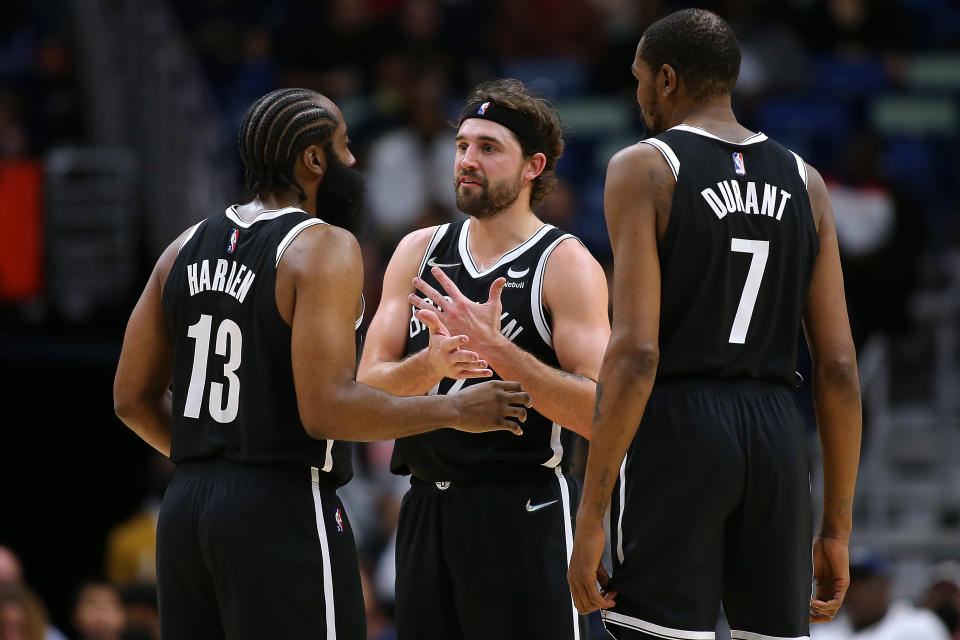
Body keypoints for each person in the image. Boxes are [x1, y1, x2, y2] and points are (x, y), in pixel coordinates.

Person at [112, 88, 532, 640]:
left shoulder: (183, 246)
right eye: (344, 146)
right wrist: (452, 409)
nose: (353, 162)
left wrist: (214, 455)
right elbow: (328, 411)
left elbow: (129, 398)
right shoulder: (323, 246)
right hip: (278, 506)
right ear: (314, 160)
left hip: (186, 510)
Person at [567, 9, 863, 640]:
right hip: (778, 433)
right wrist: (836, 527)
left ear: (667, 80)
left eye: (641, 77)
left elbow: (637, 352)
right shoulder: (807, 183)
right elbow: (838, 368)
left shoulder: (643, 167)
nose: (639, 92)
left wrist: (591, 512)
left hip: (678, 428)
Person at [358, 78, 610, 639]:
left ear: (532, 166)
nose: (468, 160)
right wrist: (432, 367)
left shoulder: (566, 263)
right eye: (463, 145)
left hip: (522, 511)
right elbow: (364, 392)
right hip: (423, 509)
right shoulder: (417, 250)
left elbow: (602, 412)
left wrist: (498, 351)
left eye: (489, 148)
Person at [811, 550, 951, 640]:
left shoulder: (920, 626)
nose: (854, 590)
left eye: (863, 581)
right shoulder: (822, 635)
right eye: (848, 583)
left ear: (885, 585)